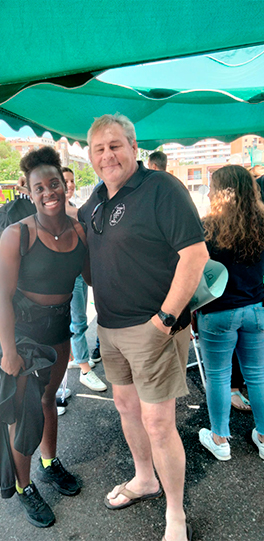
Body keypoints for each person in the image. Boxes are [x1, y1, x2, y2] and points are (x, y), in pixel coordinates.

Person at [79, 114, 207, 541]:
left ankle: (176, 513)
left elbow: (195, 256)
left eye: (115, 145)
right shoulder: (95, 199)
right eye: (99, 149)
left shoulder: (161, 189)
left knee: (158, 423)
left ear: (134, 147)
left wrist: (165, 320)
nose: (107, 155)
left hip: (154, 328)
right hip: (109, 328)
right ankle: (145, 478)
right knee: (126, 408)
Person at [0, 146, 89, 527]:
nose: (49, 192)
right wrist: (9, 351)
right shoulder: (17, 235)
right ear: (29, 192)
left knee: (49, 399)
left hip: (60, 330)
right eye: (40, 188)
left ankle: (49, 464)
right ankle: (24, 486)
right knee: (23, 412)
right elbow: (2, 297)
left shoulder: (79, 231)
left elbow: (95, 277)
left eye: (54, 184)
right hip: (24, 334)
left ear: (65, 185)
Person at [194, 165, 264, 462]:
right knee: (258, 375)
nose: (209, 193)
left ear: (222, 193)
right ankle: (263, 437)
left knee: (219, 376)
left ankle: (220, 439)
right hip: (256, 308)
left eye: (212, 188)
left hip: (217, 312)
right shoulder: (261, 223)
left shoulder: (206, 227)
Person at [62, 167, 106, 392]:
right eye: (65, 181)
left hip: (80, 271)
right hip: (69, 274)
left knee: (78, 319)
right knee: (78, 321)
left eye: (71, 181)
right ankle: (85, 370)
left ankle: (79, 358)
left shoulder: (71, 205)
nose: (70, 185)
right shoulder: (59, 210)